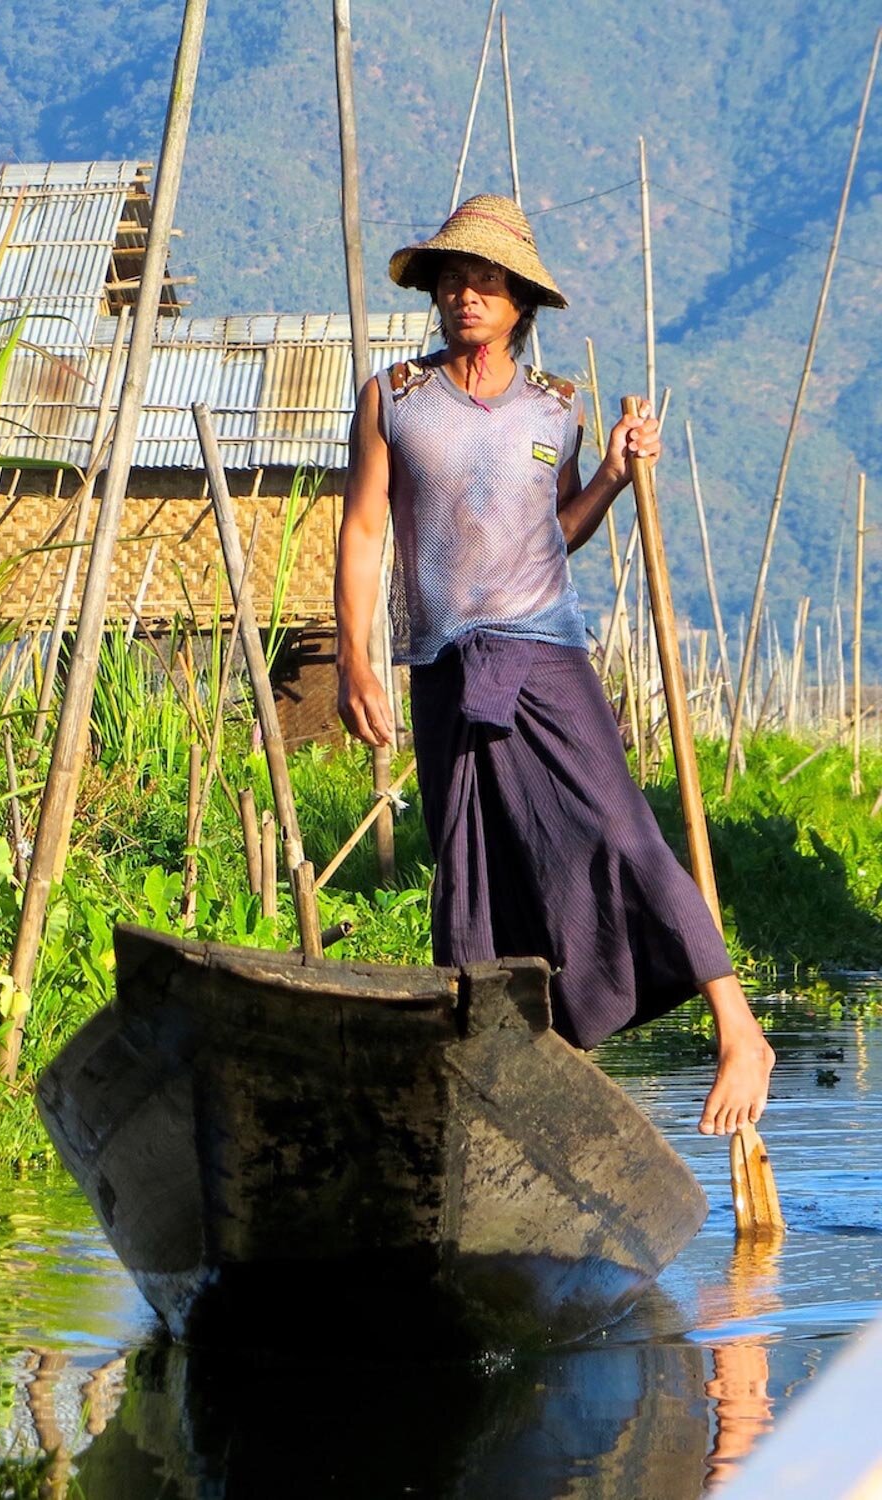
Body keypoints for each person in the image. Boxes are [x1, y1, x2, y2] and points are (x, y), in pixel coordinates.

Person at [334, 193, 773, 1136]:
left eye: (484, 282)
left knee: (619, 832)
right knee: (473, 872)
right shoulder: (395, 397)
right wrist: (355, 665)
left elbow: (555, 535)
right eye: (451, 280)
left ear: (520, 301)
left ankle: (739, 1025)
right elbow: (365, 528)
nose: (464, 296)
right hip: (445, 663)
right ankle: (493, 1082)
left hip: (547, 657)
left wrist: (613, 474)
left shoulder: (558, 409)